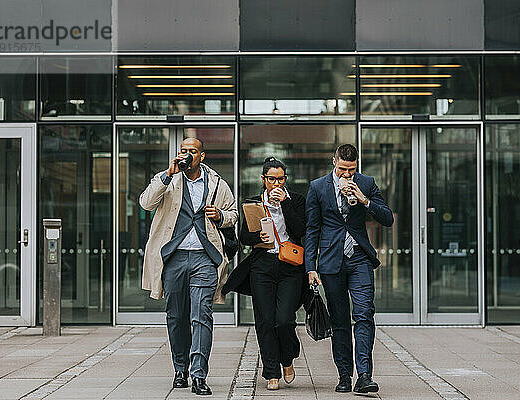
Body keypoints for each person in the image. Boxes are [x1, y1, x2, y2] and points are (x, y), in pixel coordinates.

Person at [139, 138, 238, 396]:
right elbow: (145, 203)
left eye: (192, 151)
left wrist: (221, 216)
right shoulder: (168, 179)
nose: (187, 155)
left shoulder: (217, 183)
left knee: (201, 315)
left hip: (205, 258)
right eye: (183, 151)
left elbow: (233, 213)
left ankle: (198, 375)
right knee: (176, 316)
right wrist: (166, 175)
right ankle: (180, 369)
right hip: (174, 257)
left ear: (201, 156)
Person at [304, 144, 393, 394]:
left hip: (359, 259)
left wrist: (364, 200)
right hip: (331, 262)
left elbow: (387, 219)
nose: (347, 174)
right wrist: (311, 267)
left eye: (351, 169)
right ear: (334, 161)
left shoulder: (366, 183)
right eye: (343, 168)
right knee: (340, 320)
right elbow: (312, 230)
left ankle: (364, 375)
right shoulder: (318, 187)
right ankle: (344, 374)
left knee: (364, 314)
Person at [222, 157, 307, 391]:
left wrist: (285, 204)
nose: (276, 183)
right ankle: (271, 371)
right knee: (265, 321)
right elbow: (243, 238)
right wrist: (259, 237)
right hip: (262, 266)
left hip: (290, 266)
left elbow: (300, 230)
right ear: (263, 179)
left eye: (281, 179)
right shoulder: (253, 203)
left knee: (285, 320)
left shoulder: (297, 201)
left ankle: (288, 357)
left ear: (285, 179)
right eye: (272, 179)